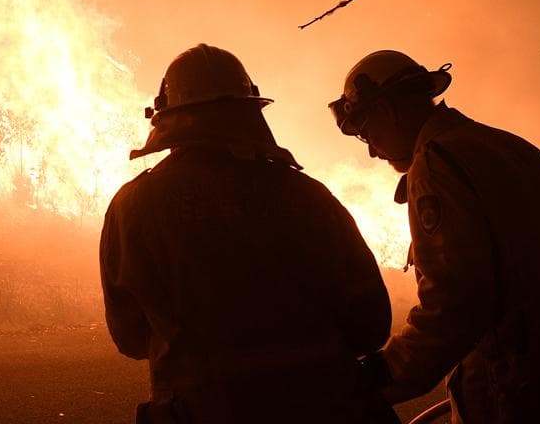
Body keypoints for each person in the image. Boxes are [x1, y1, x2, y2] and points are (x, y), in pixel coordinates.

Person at [329, 50, 540, 423]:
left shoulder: (436, 164)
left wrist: (381, 375)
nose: (372, 150)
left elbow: (454, 304)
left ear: (387, 110)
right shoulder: (509, 146)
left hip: (525, 397)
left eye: (366, 132)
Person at [101, 43, 398, 424]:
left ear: (166, 120)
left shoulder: (132, 206)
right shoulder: (309, 197)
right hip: (328, 408)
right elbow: (371, 325)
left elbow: (130, 338)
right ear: (250, 112)